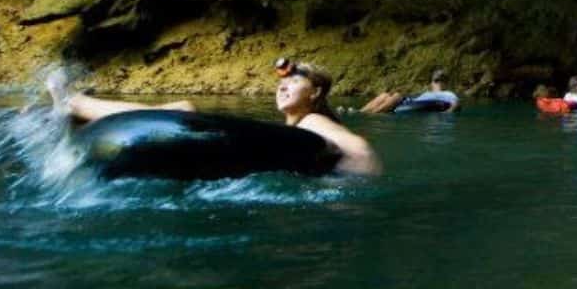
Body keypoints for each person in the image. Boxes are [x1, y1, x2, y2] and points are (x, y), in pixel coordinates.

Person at [47, 57, 381, 176]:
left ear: (316, 94)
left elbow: (360, 149)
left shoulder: (313, 122)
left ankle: (74, 104)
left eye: (295, 81)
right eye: (282, 81)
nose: (283, 87)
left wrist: (351, 188)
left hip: (334, 189)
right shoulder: (298, 132)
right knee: (184, 111)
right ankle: (80, 114)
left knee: (184, 110)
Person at [359, 67, 461, 114]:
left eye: (435, 81)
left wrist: (447, 113)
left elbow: (456, 103)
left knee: (397, 95)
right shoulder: (427, 93)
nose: (434, 84)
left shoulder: (447, 93)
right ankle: (359, 112)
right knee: (384, 95)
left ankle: (373, 114)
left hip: (408, 103)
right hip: (410, 103)